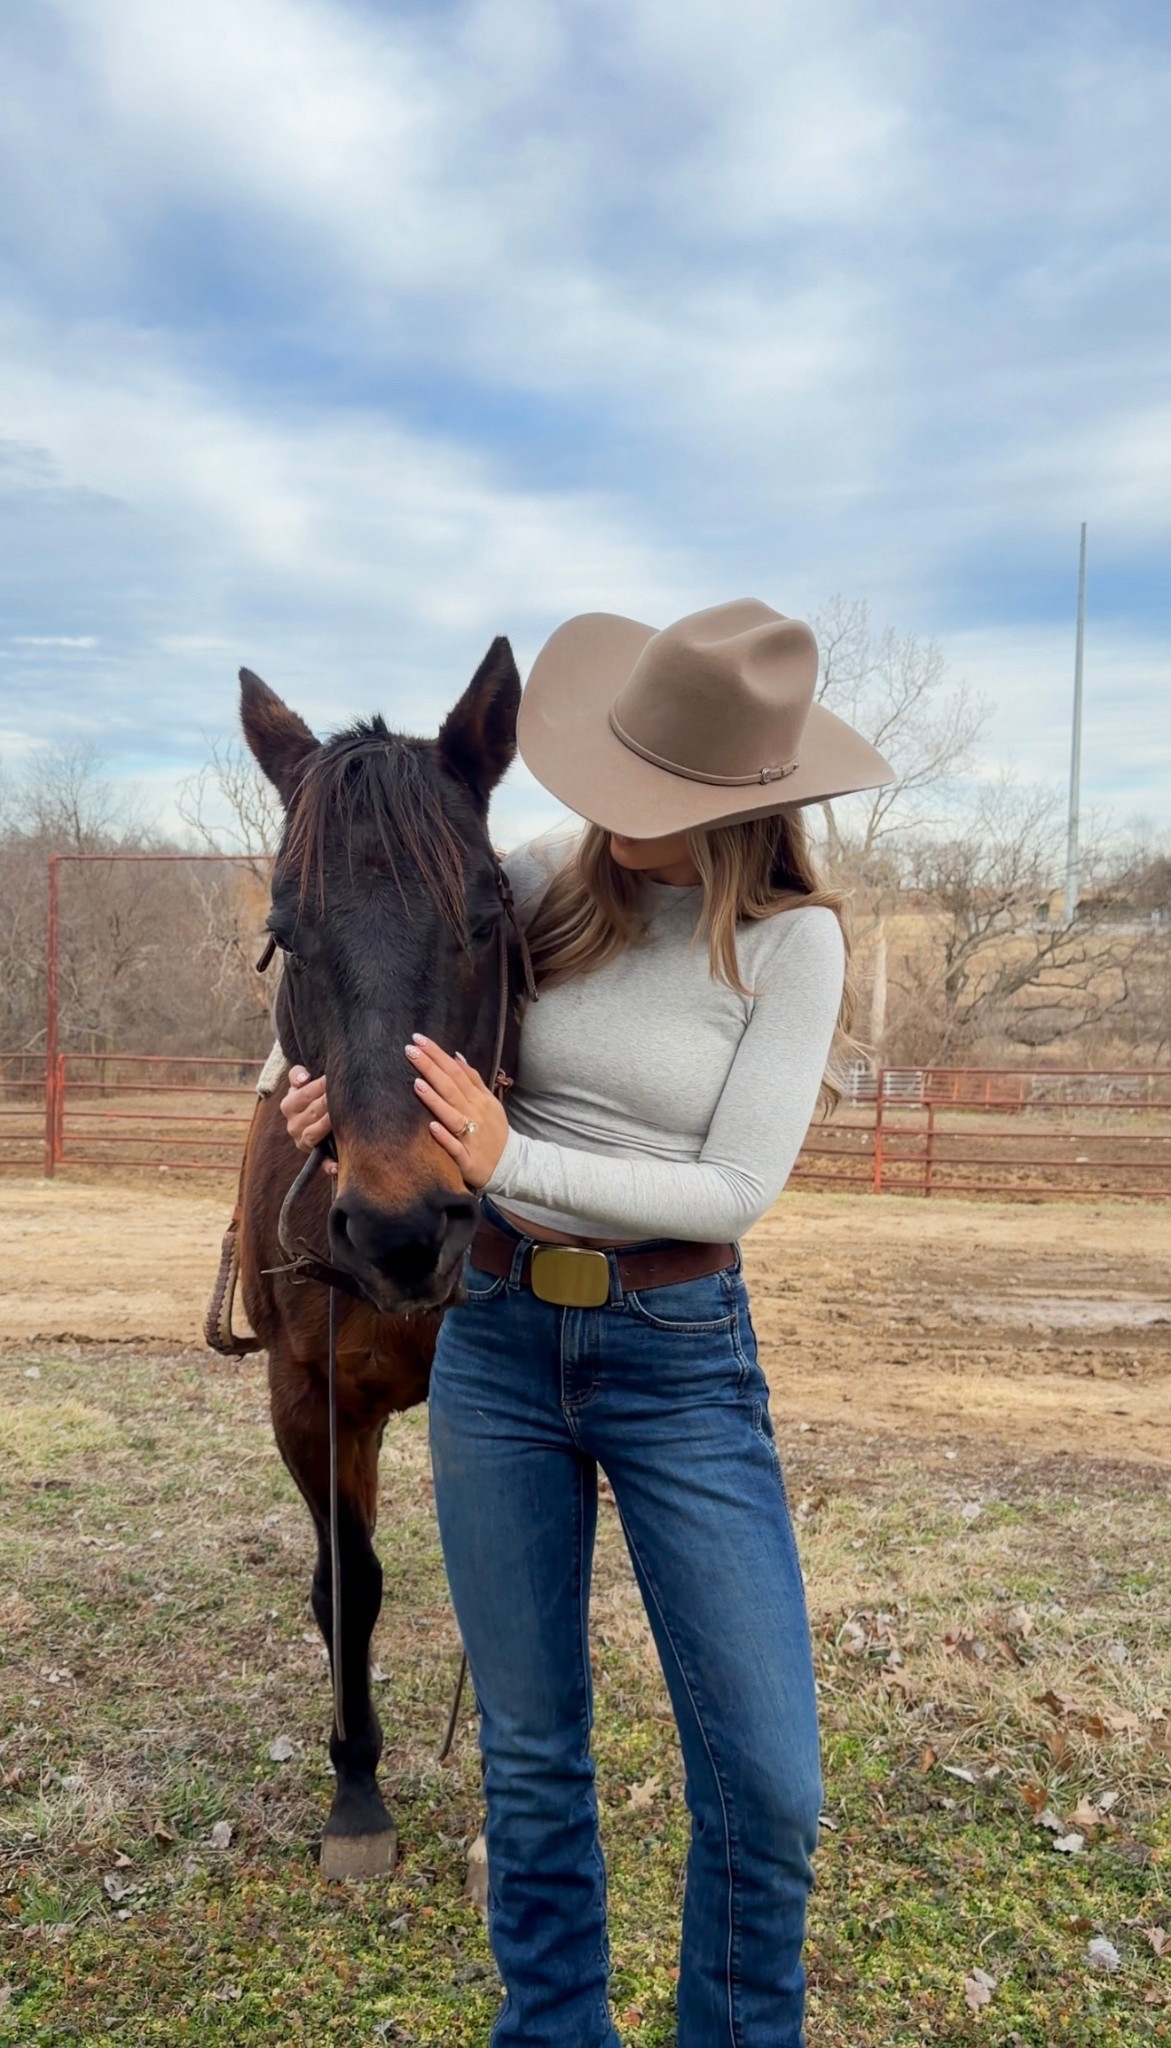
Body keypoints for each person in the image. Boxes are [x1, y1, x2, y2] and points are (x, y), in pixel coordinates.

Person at [281, 601, 894, 2048]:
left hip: (677, 1353)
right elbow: (382, 951)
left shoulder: (792, 947)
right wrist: (314, 1087)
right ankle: (550, 2029)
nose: (615, 819)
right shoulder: (545, 878)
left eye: (656, 800)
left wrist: (510, 1163)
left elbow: (734, 1186)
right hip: (496, 1340)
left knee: (767, 1779)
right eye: (614, 779)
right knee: (535, 1758)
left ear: (747, 802)